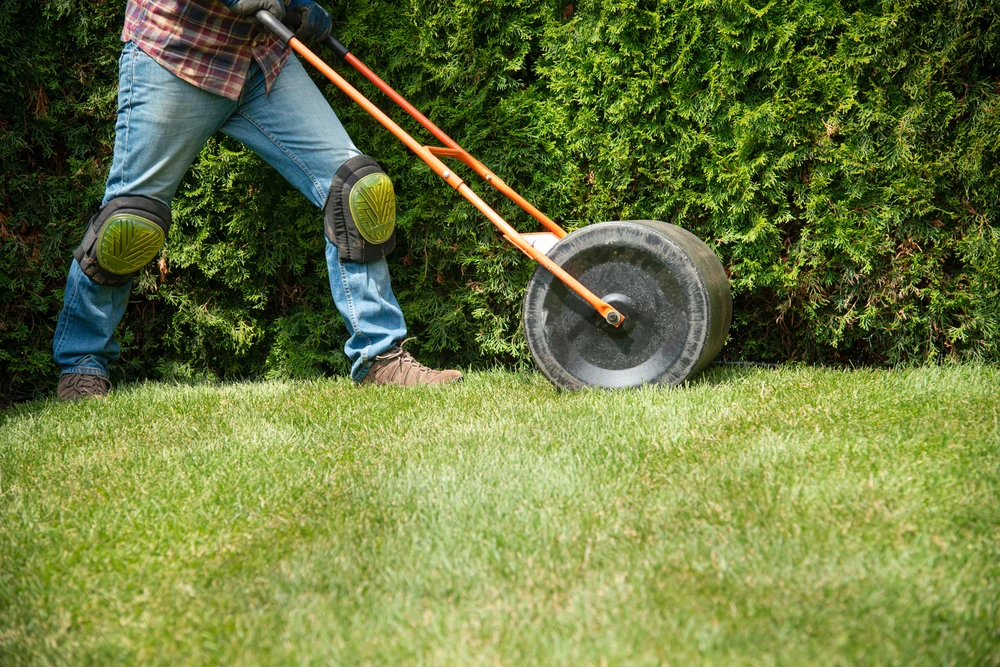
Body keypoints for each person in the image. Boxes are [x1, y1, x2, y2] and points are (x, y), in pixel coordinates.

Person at [53, 0, 463, 400]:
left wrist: (298, 5)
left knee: (358, 189)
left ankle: (381, 358)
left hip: (262, 59)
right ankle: (81, 364)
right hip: (175, 56)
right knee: (128, 225)